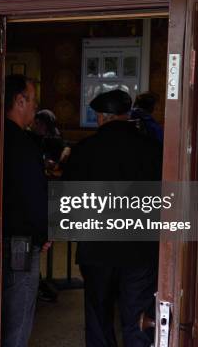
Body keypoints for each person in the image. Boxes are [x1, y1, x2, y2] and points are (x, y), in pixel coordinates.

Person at [64, 89, 163, 347]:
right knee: (137, 317)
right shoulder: (152, 149)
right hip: (141, 249)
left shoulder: (84, 150)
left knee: (98, 317)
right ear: (126, 114)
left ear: (101, 117)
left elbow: (68, 202)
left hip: (96, 249)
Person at [2, 75, 50, 347]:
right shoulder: (25, 144)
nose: (35, 108)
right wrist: (45, 234)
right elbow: (35, 195)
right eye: (32, 101)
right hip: (20, 244)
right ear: (19, 101)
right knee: (18, 317)